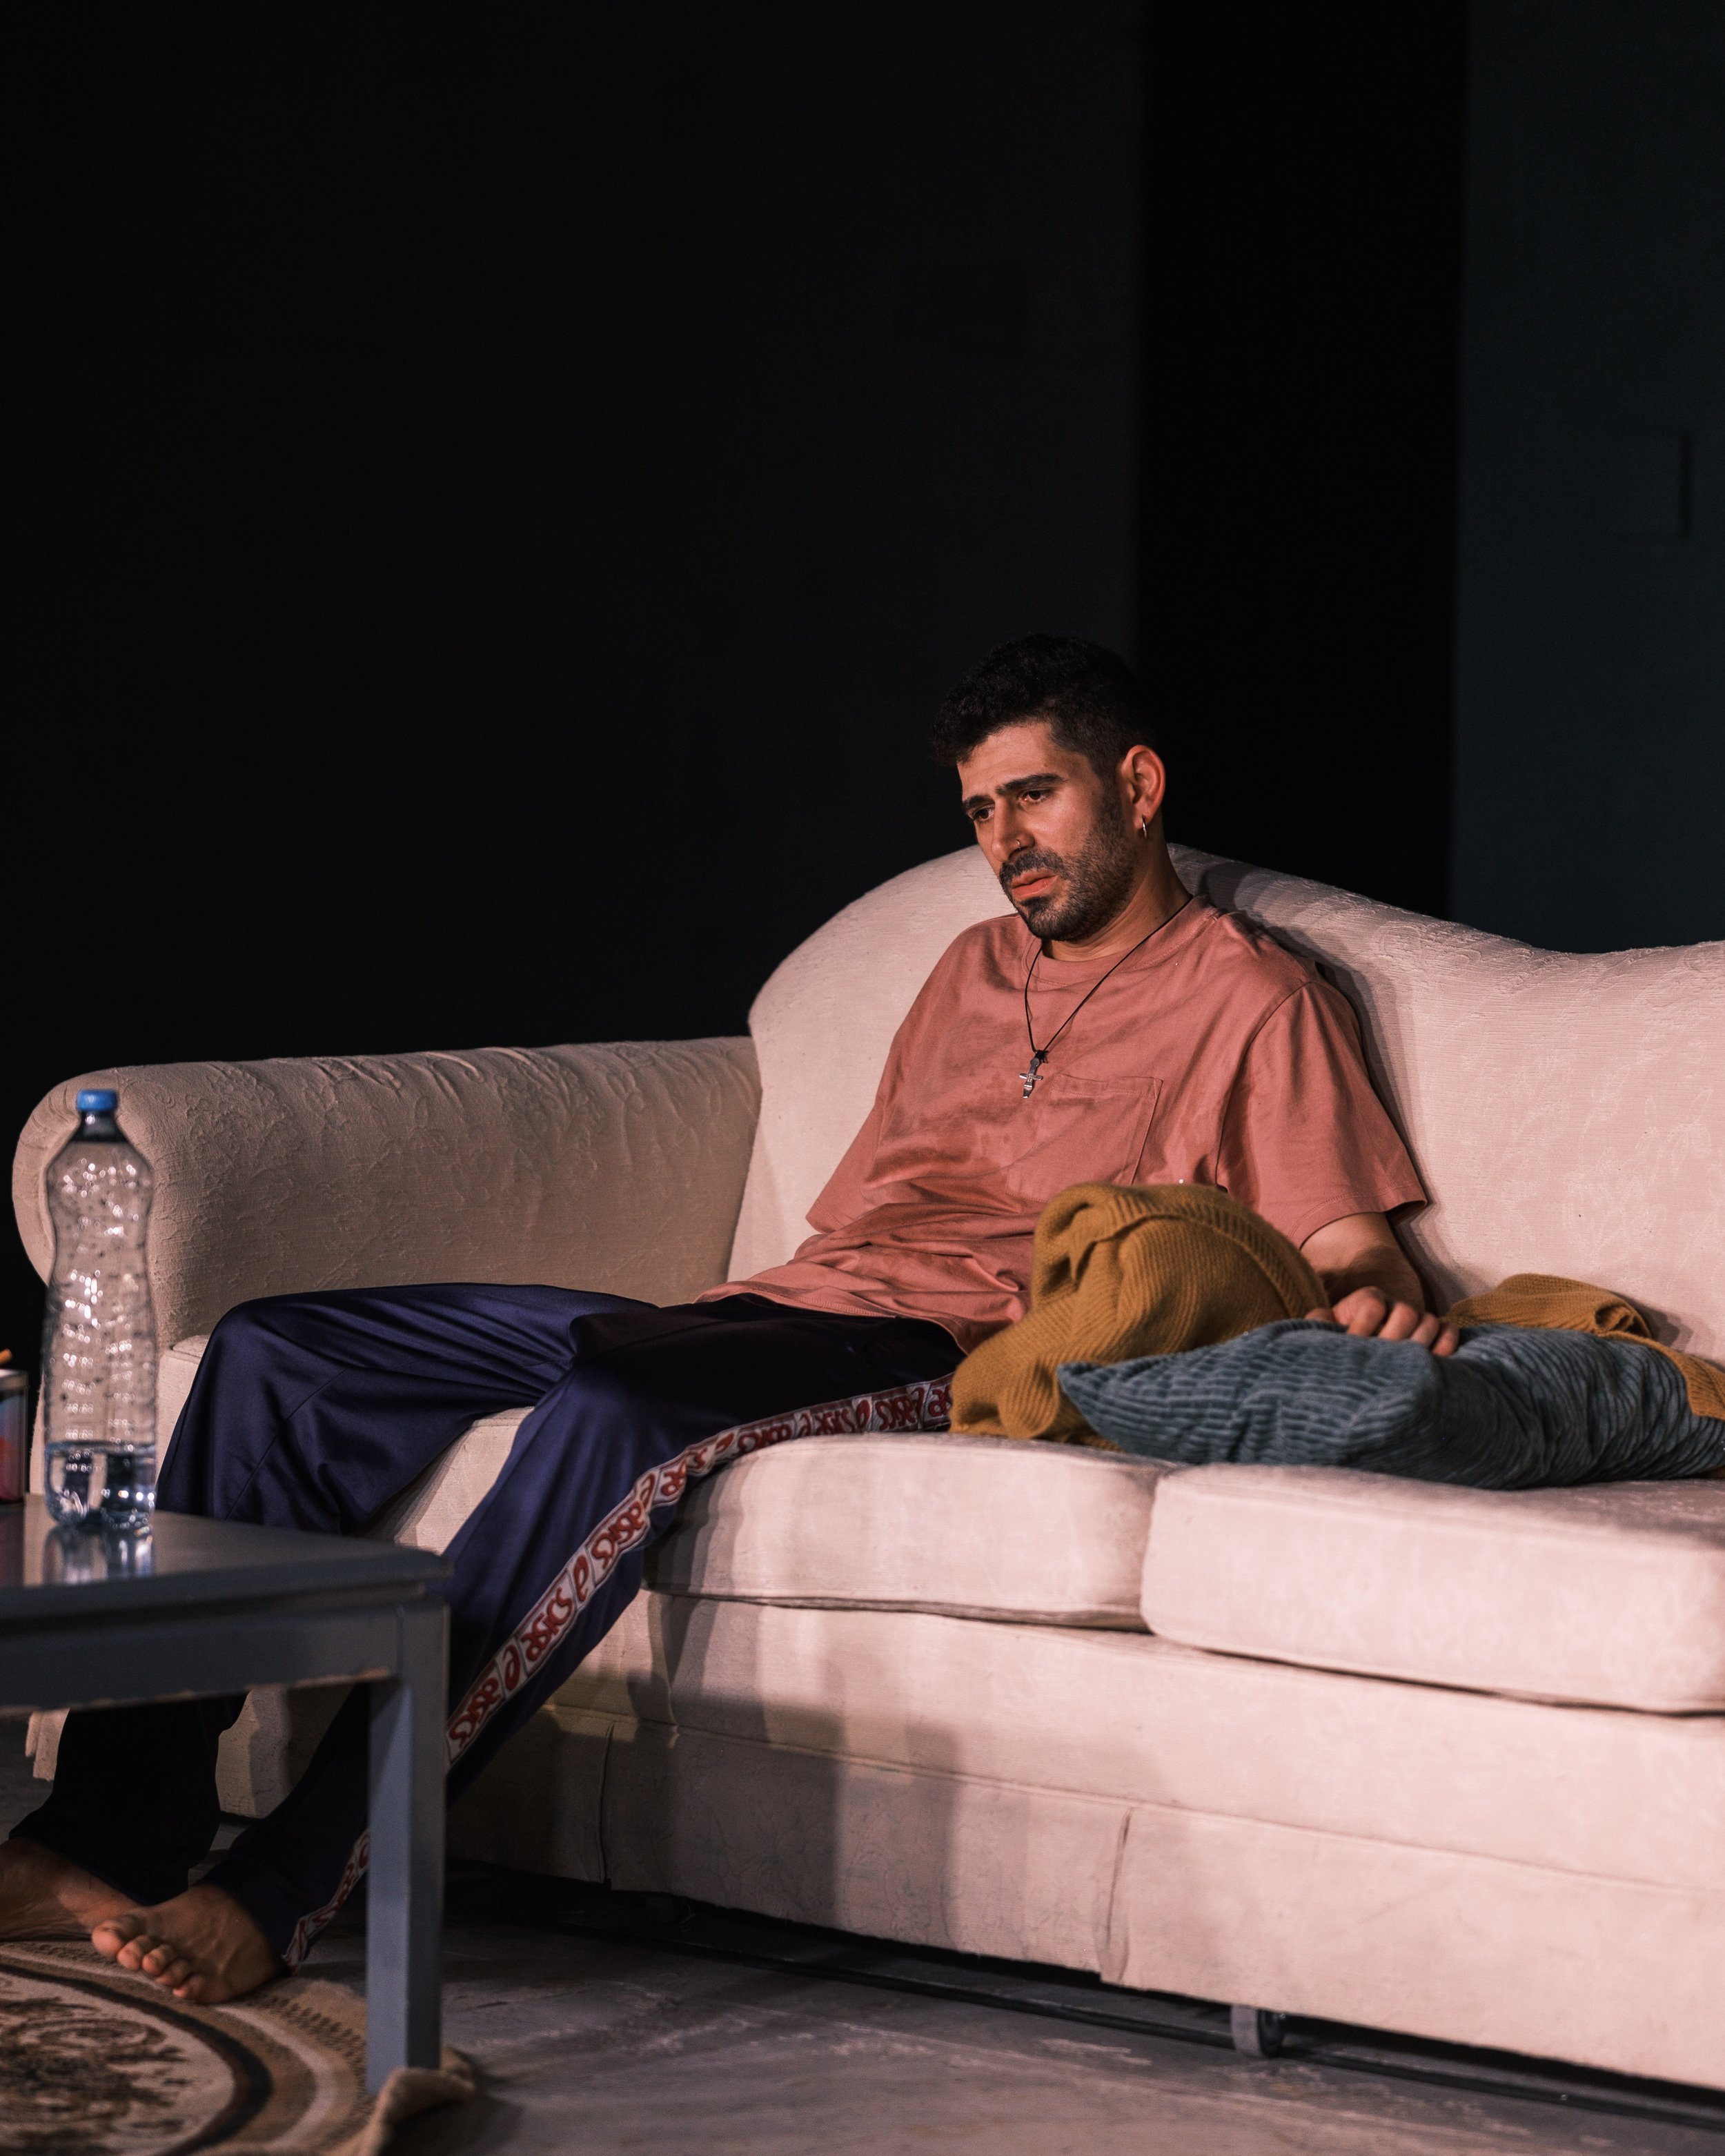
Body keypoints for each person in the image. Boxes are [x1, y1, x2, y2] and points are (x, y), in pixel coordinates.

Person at [0, 633, 1447, 2001]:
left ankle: (283, 1884)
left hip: (938, 1350)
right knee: (277, 1354)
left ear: (1135, 783)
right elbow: (851, 1232)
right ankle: (108, 1831)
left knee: (615, 1411)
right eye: (978, 811)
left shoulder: (1254, 999)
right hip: (775, 1309)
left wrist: (1378, 1317)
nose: (1004, 840)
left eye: (1034, 795)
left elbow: (1348, 1246)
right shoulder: (965, 970)